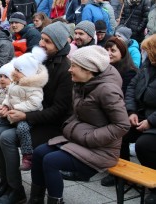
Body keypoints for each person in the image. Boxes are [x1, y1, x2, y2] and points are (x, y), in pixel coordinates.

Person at [0, 21, 73, 203]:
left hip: (49, 123)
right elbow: (18, 85)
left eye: (47, 41)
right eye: (42, 39)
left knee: (6, 137)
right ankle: (6, 184)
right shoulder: (37, 60)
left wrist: (26, 115)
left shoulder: (65, 70)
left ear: (58, 44)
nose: (41, 44)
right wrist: (8, 105)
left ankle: (17, 191)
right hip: (27, 114)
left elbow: (59, 109)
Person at [28, 46, 130, 204]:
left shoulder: (107, 91)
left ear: (89, 70)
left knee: (51, 161)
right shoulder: (81, 84)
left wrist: (90, 137)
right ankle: (36, 199)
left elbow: (122, 125)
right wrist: (72, 128)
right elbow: (79, 114)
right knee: (40, 152)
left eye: (74, 66)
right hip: (80, 141)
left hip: (102, 150)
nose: (70, 69)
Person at [0, 47, 48, 171]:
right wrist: (4, 105)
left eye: (17, 70)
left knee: (22, 129)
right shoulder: (15, 82)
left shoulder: (34, 87)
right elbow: (9, 96)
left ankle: (27, 155)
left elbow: (34, 103)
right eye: (14, 69)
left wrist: (15, 108)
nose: (14, 72)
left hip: (27, 117)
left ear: (27, 73)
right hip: (12, 114)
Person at [99, 36, 139, 187]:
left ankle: (119, 169)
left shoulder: (130, 72)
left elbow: (123, 96)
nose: (109, 53)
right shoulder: (104, 69)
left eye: (113, 50)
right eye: (107, 50)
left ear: (122, 53)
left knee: (118, 131)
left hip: (126, 111)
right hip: (110, 107)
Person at [123, 34, 156, 203]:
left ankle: (154, 184)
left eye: (147, 51)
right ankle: (123, 172)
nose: (144, 54)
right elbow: (132, 88)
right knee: (120, 131)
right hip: (142, 113)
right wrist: (132, 111)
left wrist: (150, 121)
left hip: (153, 118)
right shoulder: (146, 65)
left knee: (144, 145)